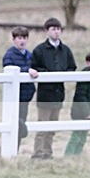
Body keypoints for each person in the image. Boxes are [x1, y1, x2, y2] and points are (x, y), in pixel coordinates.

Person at [30, 17, 77, 159]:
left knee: (52, 127)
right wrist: (48, 75)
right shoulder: (39, 50)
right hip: (45, 93)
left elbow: (72, 67)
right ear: (46, 31)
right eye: (53, 29)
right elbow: (34, 67)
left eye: (58, 29)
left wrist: (63, 75)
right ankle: (38, 153)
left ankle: (48, 152)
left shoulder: (66, 50)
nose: (56, 32)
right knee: (42, 125)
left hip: (59, 93)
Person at [2, 26, 38, 148]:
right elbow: (9, 71)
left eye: (24, 38)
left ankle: (15, 150)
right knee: (16, 124)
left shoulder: (30, 55)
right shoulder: (9, 55)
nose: (22, 41)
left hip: (26, 96)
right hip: (14, 97)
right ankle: (10, 150)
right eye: (19, 38)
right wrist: (27, 70)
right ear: (14, 39)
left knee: (21, 123)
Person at [65, 51, 90, 156]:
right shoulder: (84, 75)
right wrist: (87, 113)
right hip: (79, 112)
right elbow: (80, 96)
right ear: (88, 62)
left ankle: (77, 156)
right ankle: (68, 156)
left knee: (83, 136)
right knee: (76, 135)